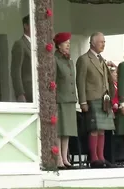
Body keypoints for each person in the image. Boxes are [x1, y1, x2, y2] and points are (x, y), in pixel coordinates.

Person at [76, 32, 116, 168]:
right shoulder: (84, 59)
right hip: (91, 98)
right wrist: (82, 101)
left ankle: (102, 157)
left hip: (104, 100)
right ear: (93, 43)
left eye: (104, 42)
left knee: (102, 129)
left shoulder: (102, 60)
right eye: (101, 42)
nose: (103, 44)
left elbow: (108, 80)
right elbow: (80, 82)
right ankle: (94, 158)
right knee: (94, 129)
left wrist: (112, 96)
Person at [53, 32, 78, 169]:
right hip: (60, 99)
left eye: (69, 43)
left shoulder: (69, 60)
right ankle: (58, 159)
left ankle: (65, 158)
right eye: (66, 43)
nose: (68, 45)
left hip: (70, 99)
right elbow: (54, 80)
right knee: (59, 130)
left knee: (67, 130)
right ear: (59, 45)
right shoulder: (55, 59)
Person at [11, 15, 32, 102]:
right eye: (33, 24)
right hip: (27, 91)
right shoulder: (20, 44)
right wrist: (20, 93)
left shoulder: (36, 44)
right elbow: (15, 70)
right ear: (26, 26)